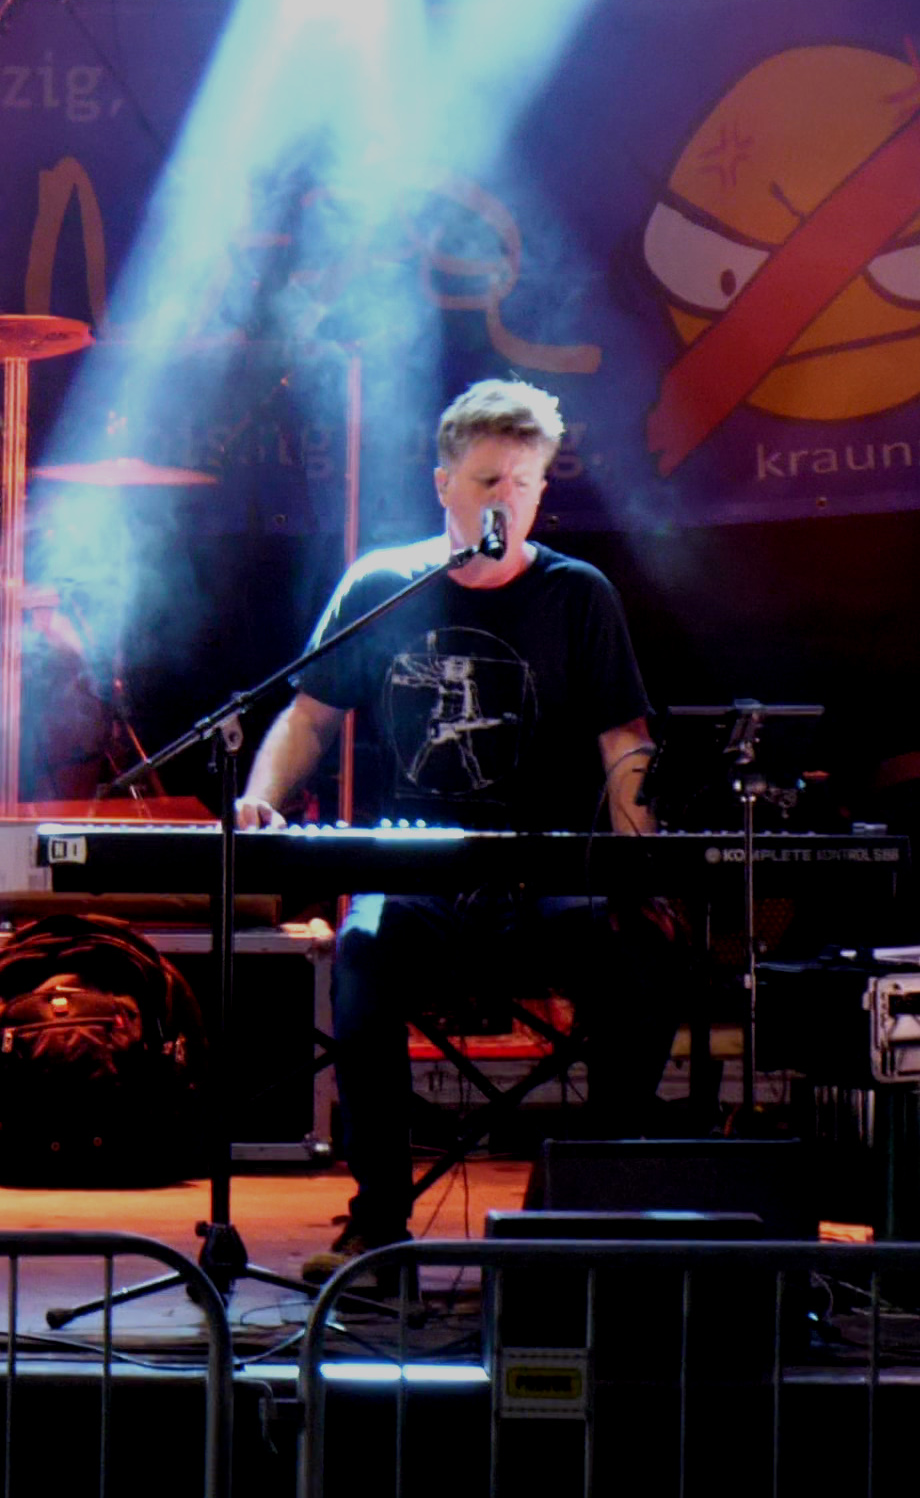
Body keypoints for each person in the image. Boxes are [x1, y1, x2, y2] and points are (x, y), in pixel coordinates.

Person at [234, 377, 668, 1263]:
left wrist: (642, 867)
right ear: (444, 485)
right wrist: (261, 797)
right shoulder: (383, 585)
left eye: (522, 484)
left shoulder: (578, 595)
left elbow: (625, 741)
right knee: (362, 959)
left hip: (546, 880)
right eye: (486, 481)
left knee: (641, 967)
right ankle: (379, 1225)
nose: (505, 500)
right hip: (414, 879)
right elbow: (310, 717)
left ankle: (587, 1207)